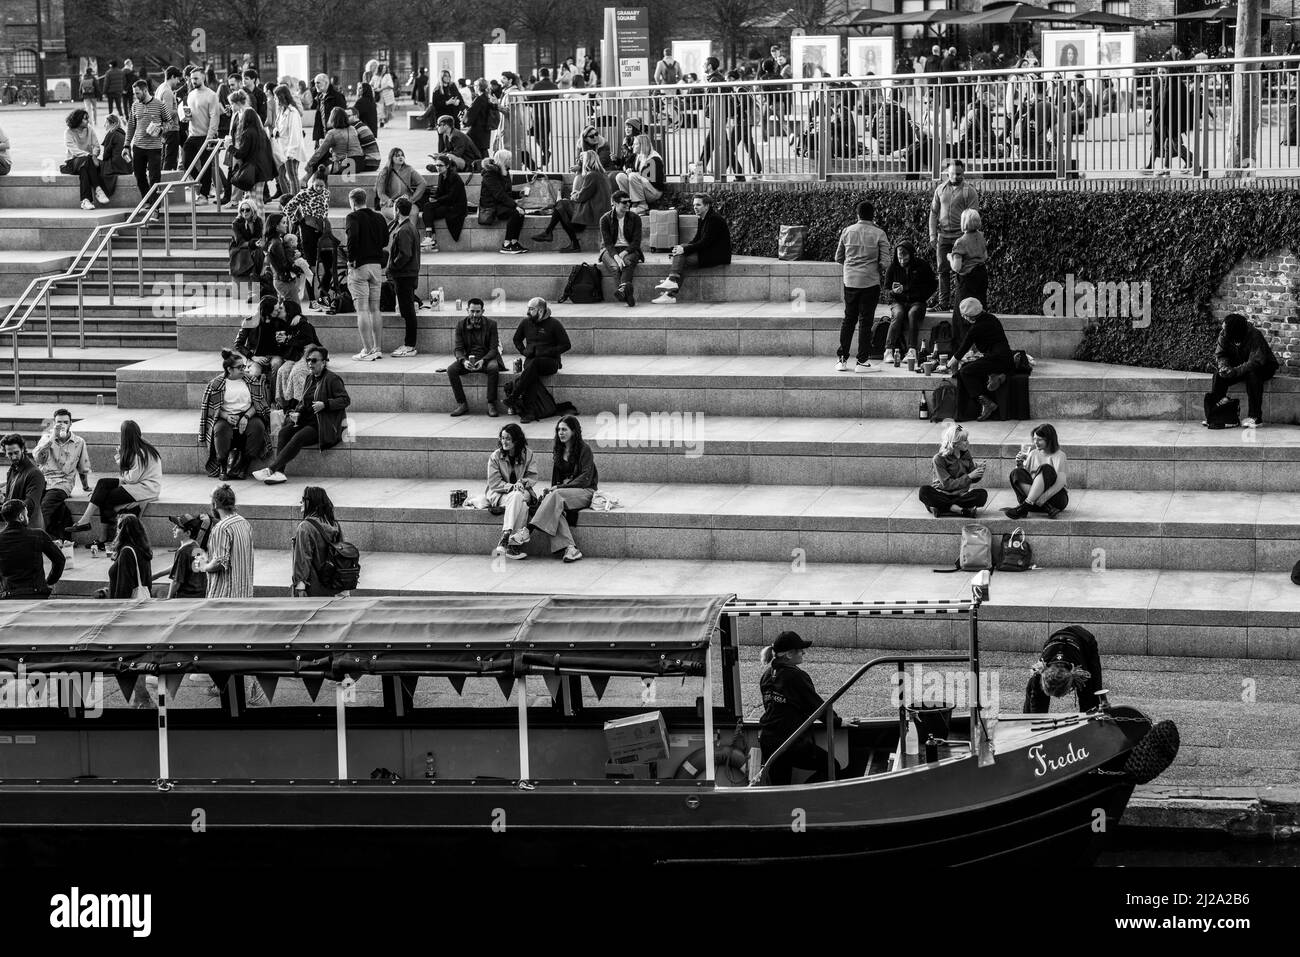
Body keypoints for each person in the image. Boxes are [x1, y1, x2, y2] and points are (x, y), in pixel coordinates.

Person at [253, 345, 351, 484]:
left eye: (314, 360)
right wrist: (297, 412)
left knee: (299, 436)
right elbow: (304, 401)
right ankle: (280, 473)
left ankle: (271, 469)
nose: (310, 363)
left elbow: (345, 400)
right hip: (308, 420)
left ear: (323, 362)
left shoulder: (332, 379)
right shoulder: (310, 378)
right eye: (308, 360)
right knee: (284, 433)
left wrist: (325, 404)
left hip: (323, 424)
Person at [758, 631, 845, 785]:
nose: (804, 652)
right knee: (832, 766)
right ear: (789, 655)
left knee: (780, 786)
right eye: (800, 650)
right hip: (789, 742)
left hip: (768, 740)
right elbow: (816, 706)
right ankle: (805, 797)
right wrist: (837, 721)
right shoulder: (796, 676)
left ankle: (790, 805)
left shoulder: (767, 675)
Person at [505, 415, 595, 563]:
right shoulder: (558, 451)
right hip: (563, 493)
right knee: (553, 504)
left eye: (564, 429)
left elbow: (586, 478)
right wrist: (551, 491)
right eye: (558, 429)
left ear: (574, 431)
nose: (561, 432)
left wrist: (559, 488)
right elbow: (556, 480)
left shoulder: (584, 449)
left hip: (585, 492)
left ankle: (528, 530)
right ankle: (571, 549)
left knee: (556, 496)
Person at [70, 420, 163, 544]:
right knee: (103, 483)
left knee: (105, 497)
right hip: (139, 485)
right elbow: (131, 477)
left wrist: (120, 458)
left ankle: (101, 536)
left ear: (125, 436)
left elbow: (131, 478)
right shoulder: (142, 448)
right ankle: (85, 521)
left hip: (145, 488)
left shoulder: (139, 453)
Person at [833, 200, 891, 373]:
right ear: (873, 215)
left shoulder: (847, 231)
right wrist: (875, 267)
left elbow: (838, 257)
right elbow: (886, 262)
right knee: (865, 322)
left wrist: (851, 266)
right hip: (870, 282)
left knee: (848, 319)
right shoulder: (879, 233)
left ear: (857, 215)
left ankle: (842, 359)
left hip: (850, 281)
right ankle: (862, 361)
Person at [199, 349, 272, 480]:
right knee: (220, 430)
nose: (243, 369)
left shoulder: (251, 380)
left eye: (244, 366)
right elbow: (212, 409)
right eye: (239, 367)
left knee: (258, 428)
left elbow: (258, 404)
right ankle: (222, 467)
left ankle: (244, 465)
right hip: (226, 416)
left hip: (248, 414)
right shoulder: (216, 384)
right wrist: (226, 416)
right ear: (229, 369)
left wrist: (246, 416)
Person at [653, 193, 732, 304]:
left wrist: (684, 250)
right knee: (681, 252)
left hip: (717, 255)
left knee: (682, 258)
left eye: (698, 205)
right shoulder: (702, 217)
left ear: (707, 206)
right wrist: (682, 247)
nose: (695, 207)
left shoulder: (714, 219)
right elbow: (696, 239)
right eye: (694, 205)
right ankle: (671, 288)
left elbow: (705, 243)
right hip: (707, 251)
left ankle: (671, 287)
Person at [945, 298, 1015, 422]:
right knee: (972, 365)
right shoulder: (991, 318)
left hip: (996, 359)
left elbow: (961, 350)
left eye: (964, 316)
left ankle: (986, 403)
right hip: (1005, 357)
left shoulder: (976, 328)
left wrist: (947, 365)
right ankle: (998, 375)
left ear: (968, 316)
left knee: (964, 372)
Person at [531, 149, 611, 253]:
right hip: (598, 210)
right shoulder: (602, 174)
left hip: (593, 212)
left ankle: (551, 233)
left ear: (587, 160)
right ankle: (551, 234)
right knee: (561, 207)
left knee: (560, 205)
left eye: (582, 159)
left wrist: (573, 195)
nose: (580, 162)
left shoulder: (592, 175)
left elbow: (582, 197)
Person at [1209, 312, 1278, 428]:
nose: (1222, 331)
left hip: (1263, 366)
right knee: (1218, 375)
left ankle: (1255, 417)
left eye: (1225, 329)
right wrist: (1224, 367)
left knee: (1253, 374)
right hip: (1241, 365)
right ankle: (1216, 415)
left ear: (1235, 331)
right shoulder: (1224, 335)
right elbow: (1221, 355)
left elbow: (1256, 362)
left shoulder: (1254, 335)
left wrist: (1235, 371)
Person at [33, 409, 93, 541]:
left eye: (65, 422)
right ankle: (59, 536)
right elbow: (38, 459)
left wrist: (85, 486)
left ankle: (35, 540)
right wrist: (51, 440)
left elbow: (83, 467)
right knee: (33, 502)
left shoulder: (79, 442)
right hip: (43, 480)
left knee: (45, 507)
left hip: (62, 483)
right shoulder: (46, 438)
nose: (62, 425)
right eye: (59, 422)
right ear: (54, 424)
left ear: (71, 424)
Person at [345, 186, 390, 361]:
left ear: (352, 202)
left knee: (362, 310)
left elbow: (352, 238)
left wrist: (351, 259)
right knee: (375, 309)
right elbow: (385, 240)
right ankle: (378, 348)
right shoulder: (379, 217)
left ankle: (367, 349)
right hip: (376, 267)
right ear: (365, 200)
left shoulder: (352, 217)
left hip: (360, 266)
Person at [510, 298, 571, 424]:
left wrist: (547, 352)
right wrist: (524, 351)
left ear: (541, 310)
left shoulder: (554, 324)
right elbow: (516, 339)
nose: (528, 311)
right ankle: (530, 412)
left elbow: (566, 345)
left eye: (531, 309)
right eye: (528, 308)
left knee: (534, 366)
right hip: (531, 360)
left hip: (550, 362)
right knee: (532, 371)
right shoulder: (525, 323)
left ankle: (515, 396)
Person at [928, 159, 979, 310]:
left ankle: (961, 304)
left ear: (963, 173)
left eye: (959, 174)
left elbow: (973, 217)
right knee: (942, 271)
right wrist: (932, 235)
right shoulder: (940, 189)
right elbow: (933, 213)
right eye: (952, 174)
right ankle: (943, 304)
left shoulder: (969, 191)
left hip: (960, 238)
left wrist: (967, 239)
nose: (955, 177)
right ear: (947, 174)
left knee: (962, 272)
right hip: (943, 236)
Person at [1023, 626, 1104, 714]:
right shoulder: (1041, 669)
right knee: (1033, 688)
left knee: (1093, 688)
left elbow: (1088, 699)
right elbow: (1036, 701)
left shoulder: (1080, 672)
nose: (1059, 699)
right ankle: (1026, 722)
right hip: (1055, 638)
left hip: (1085, 640)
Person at [884, 239, 938, 364]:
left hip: (917, 301)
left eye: (905, 256)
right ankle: (888, 350)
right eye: (899, 257)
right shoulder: (893, 267)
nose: (902, 260)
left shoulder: (922, 265)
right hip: (898, 301)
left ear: (911, 255)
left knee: (913, 314)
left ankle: (912, 350)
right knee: (898, 314)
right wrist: (893, 292)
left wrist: (921, 295)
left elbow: (933, 284)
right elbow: (886, 289)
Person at [487, 423, 538, 556]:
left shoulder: (528, 454)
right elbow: (494, 482)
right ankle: (512, 544)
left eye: (508, 438)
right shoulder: (495, 456)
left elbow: (532, 476)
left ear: (516, 440)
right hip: (501, 493)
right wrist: (511, 487)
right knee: (521, 503)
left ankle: (505, 538)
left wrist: (522, 482)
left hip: (523, 491)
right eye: (502, 438)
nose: (504, 441)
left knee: (518, 496)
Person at [448, 298, 504, 416]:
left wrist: (483, 360)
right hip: (468, 359)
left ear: (482, 311)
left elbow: (494, 349)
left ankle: (491, 404)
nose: (474, 314)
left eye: (477, 311)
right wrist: (463, 361)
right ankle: (462, 404)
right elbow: (458, 349)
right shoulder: (460, 325)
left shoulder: (491, 324)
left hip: (486, 358)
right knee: (451, 369)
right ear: (467, 310)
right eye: (472, 311)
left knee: (493, 368)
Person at [0, 499, 64, 600]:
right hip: (37, 593)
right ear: (21, 517)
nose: (28, 517)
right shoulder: (38, 535)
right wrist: (49, 581)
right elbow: (60, 560)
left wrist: (3, 588)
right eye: (26, 514)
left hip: (8, 595)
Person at [919, 423, 987, 518]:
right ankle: (959, 509)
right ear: (954, 443)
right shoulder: (939, 459)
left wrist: (978, 472)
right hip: (942, 493)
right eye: (964, 440)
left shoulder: (966, 454)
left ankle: (942, 508)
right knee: (924, 492)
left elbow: (973, 479)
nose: (967, 442)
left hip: (961, 495)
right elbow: (947, 484)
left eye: (967, 439)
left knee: (982, 494)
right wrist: (969, 476)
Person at [1003, 423, 1069, 520]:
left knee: (1045, 468)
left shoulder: (1060, 455)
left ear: (1050, 439)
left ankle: (1026, 505)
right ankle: (1043, 507)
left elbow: (1061, 482)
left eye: (1040, 440)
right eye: (1034, 439)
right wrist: (1020, 465)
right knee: (1016, 472)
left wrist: (1043, 498)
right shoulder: (1033, 454)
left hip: (1055, 499)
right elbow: (1026, 478)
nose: (1036, 442)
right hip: (1036, 503)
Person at [201, 483, 255, 598]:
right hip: (244, 594)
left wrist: (204, 567)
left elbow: (220, 562)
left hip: (225, 596)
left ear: (215, 504)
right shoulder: (244, 522)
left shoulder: (222, 528)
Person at [292, 486, 348, 597]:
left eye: (303, 499)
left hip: (313, 588)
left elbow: (303, 558)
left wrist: (300, 586)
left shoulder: (305, 527)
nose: (301, 502)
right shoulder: (333, 524)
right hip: (334, 586)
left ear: (311, 502)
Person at [124, 79, 172, 198]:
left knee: (154, 177)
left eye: (137, 93)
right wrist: (126, 145)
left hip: (154, 147)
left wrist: (160, 129)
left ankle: (155, 206)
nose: (135, 96)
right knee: (139, 176)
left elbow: (170, 123)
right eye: (134, 93)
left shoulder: (160, 104)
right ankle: (147, 200)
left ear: (145, 91)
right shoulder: (135, 105)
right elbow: (131, 125)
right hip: (138, 146)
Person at [387, 196, 422, 357]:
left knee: (408, 311)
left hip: (404, 275)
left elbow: (405, 254)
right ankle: (409, 344)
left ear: (398, 210)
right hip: (409, 274)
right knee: (408, 310)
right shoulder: (410, 227)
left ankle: (410, 345)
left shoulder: (404, 230)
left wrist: (392, 267)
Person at [228, 92, 277, 205]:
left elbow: (246, 149)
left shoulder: (248, 121)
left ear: (238, 103)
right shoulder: (245, 118)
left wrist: (230, 147)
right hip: (255, 162)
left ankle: (237, 202)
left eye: (232, 104)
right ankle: (238, 203)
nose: (231, 106)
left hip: (252, 162)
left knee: (254, 200)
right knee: (252, 198)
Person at [478, 150, 529, 255]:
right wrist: (515, 205)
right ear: (503, 160)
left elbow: (506, 193)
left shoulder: (504, 171)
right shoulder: (490, 173)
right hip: (491, 206)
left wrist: (519, 194)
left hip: (499, 203)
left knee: (521, 211)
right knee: (515, 212)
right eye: (509, 159)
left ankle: (514, 242)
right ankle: (506, 245)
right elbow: (499, 194)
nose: (511, 161)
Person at [599, 190, 643, 307]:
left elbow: (636, 242)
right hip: (609, 250)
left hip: (629, 249)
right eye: (624, 202)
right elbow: (608, 243)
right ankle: (627, 293)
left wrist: (623, 254)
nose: (628, 204)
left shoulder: (635, 218)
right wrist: (616, 257)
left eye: (629, 202)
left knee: (627, 263)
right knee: (615, 266)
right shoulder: (605, 219)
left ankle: (623, 291)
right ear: (615, 203)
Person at [182, 71, 222, 202]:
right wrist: (185, 117)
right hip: (193, 134)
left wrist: (210, 135)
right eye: (192, 78)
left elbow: (214, 116)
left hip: (206, 135)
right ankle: (199, 183)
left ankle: (204, 195)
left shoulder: (211, 95)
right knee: (186, 162)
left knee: (206, 165)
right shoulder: (191, 94)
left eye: (196, 78)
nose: (193, 81)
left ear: (203, 78)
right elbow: (191, 113)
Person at [948, 209, 988, 338]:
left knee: (963, 312)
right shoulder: (981, 236)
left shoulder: (961, 242)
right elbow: (985, 256)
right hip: (981, 275)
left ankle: (963, 345)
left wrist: (949, 257)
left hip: (968, 279)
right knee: (979, 309)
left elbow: (957, 267)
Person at [64, 109, 110, 210]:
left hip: (86, 163)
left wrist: (93, 155)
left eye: (87, 118)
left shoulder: (90, 129)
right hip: (73, 162)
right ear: (78, 120)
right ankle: (98, 189)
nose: (88, 121)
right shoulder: (68, 132)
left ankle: (85, 200)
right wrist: (90, 156)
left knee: (84, 168)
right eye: (85, 119)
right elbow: (75, 151)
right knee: (86, 161)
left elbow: (96, 146)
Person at [420, 155, 467, 251]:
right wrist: (433, 197)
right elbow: (441, 192)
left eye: (440, 165)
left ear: (447, 166)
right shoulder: (441, 176)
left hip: (455, 206)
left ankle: (431, 239)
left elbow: (452, 196)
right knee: (427, 208)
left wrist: (437, 200)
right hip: (446, 203)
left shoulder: (454, 177)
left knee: (428, 211)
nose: (438, 167)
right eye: (436, 165)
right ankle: (431, 238)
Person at [271, 84, 309, 197]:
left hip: (290, 150)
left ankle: (295, 201)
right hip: (281, 149)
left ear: (282, 97)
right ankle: (287, 199)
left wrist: (290, 153)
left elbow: (295, 134)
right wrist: (275, 132)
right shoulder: (281, 111)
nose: (275, 99)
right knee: (280, 175)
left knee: (292, 175)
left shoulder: (293, 112)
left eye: (276, 97)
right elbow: (277, 127)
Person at [104, 513, 152, 599]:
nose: (117, 531)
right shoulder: (143, 548)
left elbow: (124, 585)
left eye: (119, 527)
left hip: (126, 606)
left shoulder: (127, 552)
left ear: (124, 530)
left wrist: (117, 608)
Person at [3, 435, 45, 532]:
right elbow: (9, 499)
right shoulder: (12, 470)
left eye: (16, 453)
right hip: (15, 526)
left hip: (30, 529)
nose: (13, 457)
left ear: (22, 449)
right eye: (10, 454)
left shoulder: (35, 473)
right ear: (5, 453)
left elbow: (30, 503)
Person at [306, 107, 363, 178]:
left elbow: (320, 152)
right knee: (325, 156)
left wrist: (309, 164)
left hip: (345, 165)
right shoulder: (352, 129)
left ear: (332, 119)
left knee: (321, 166)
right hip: (358, 165)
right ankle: (305, 180)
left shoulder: (332, 133)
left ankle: (313, 184)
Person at [615, 133, 664, 213]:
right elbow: (625, 165)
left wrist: (637, 175)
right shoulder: (638, 156)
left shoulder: (654, 159)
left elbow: (656, 183)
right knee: (620, 177)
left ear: (642, 145)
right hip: (643, 190)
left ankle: (642, 205)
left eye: (635, 144)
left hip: (654, 192)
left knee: (633, 176)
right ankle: (627, 202)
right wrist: (629, 171)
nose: (633, 146)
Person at [376, 147, 428, 220]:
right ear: (391, 158)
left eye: (402, 155)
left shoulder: (409, 169)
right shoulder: (385, 172)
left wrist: (412, 199)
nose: (400, 157)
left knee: (413, 213)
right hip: (391, 204)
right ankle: (401, 231)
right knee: (399, 214)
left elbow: (422, 183)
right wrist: (388, 200)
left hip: (407, 203)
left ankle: (411, 231)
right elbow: (380, 192)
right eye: (397, 155)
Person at [165, 513, 208, 599]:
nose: (173, 529)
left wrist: (168, 599)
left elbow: (176, 582)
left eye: (177, 527)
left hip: (185, 597)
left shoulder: (183, 552)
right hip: (199, 595)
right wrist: (156, 575)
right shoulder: (196, 546)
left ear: (188, 532)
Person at [228, 199, 264, 302]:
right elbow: (239, 241)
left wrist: (255, 243)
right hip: (238, 248)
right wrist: (253, 243)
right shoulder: (236, 223)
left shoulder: (258, 221)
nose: (244, 212)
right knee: (247, 253)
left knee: (259, 252)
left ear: (252, 210)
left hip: (252, 245)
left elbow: (258, 236)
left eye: (247, 210)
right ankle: (253, 288)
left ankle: (256, 281)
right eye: (242, 210)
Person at [310, 74, 347, 147]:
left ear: (326, 83)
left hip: (334, 134)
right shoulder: (319, 98)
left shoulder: (337, 97)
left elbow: (341, 117)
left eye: (318, 83)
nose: (316, 85)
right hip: (322, 135)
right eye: (315, 83)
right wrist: (317, 138)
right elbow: (319, 119)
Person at [464, 78, 497, 155]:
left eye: (475, 85)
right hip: (485, 128)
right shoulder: (487, 97)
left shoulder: (479, 99)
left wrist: (465, 121)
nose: (474, 87)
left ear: (478, 87)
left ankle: (484, 166)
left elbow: (471, 115)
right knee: (483, 150)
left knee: (477, 151)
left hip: (477, 129)